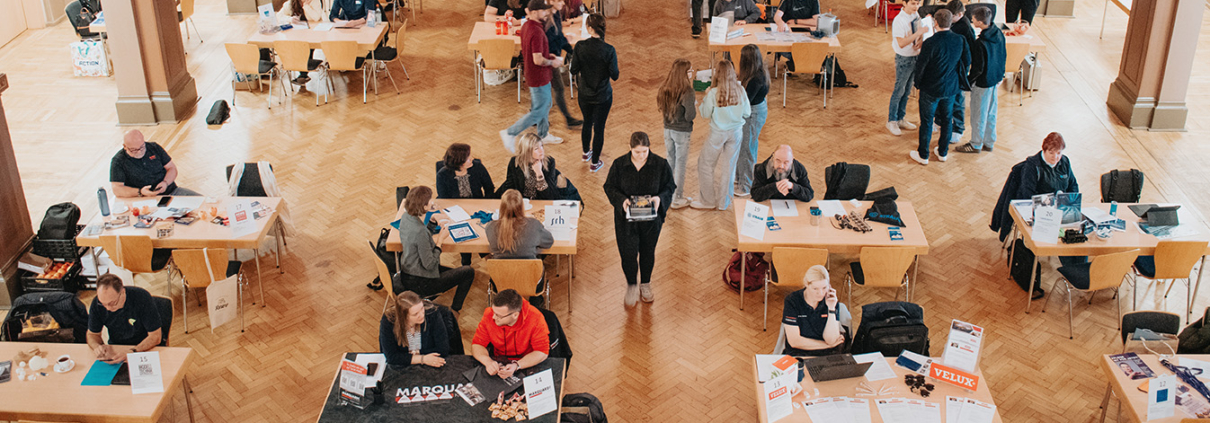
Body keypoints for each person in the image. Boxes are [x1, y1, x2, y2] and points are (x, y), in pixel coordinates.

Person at [603, 132, 676, 306]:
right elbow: (609, 187)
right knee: (628, 254)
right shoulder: (619, 165)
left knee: (647, 252)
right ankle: (631, 285)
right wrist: (622, 201)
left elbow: (670, 187)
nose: (642, 156)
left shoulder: (660, 164)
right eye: (637, 152)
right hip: (626, 220)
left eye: (645, 151)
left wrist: (659, 199)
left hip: (651, 221)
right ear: (630, 148)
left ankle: (645, 284)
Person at [396, 186, 476, 312]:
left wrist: (432, 221)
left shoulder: (406, 217)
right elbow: (430, 264)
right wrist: (440, 241)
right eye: (429, 201)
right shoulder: (420, 231)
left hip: (408, 272)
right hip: (422, 282)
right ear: (424, 207)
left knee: (457, 272)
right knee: (468, 272)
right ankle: (455, 311)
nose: (432, 201)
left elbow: (422, 242)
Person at [500, 0, 564, 153]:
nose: (546, 13)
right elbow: (538, 59)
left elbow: (533, 52)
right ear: (535, 12)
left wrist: (550, 56)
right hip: (539, 76)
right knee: (539, 111)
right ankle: (510, 132)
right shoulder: (537, 31)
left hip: (535, 74)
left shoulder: (527, 26)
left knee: (544, 105)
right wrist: (552, 62)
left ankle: (543, 134)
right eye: (543, 10)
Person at [909, 9, 969, 166]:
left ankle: (923, 155)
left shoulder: (930, 43)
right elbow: (966, 61)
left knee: (927, 122)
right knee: (948, 120)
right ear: (950, 22)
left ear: (935, 23)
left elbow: (921, 66)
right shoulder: (960, 39)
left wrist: (917, 83)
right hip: (951, 88)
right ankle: (943, 152)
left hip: (930, 88)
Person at [691, 60, 750, 211]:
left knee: (705, 164)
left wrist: (705, 96)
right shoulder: (741, 90)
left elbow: (705, 114)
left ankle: (708, 201)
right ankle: (724, 202)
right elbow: (747, 112)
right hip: (736, 132)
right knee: (729, 168)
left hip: (717, 133)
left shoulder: (713, 93)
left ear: (717, 74)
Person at [569, 13, 618, 173]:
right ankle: (595, 163)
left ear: (589, 28)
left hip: (584, 94)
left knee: (587, 122)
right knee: (599, 128)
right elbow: (615, 75)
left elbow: (573, 69)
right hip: (603, 96)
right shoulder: (609, 50)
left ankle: (585, 153)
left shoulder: (580, 46)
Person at [954, 6, 1005, 154]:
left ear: (980, 22)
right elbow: (1003, 55)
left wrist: (968, 82)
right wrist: (1000, 75)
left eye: (974, 19)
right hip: (994, 79)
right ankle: (989, 141)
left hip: (983, 82)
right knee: (991, 112)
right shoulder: (998, 33)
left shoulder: (980, 43)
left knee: (978, 114)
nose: (972, 20)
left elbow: (978, 68)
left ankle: (976, 144)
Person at [436, 143, 497, 266]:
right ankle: (466, 260)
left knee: (481, 230)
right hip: (456, 210)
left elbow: (489, 188)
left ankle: (484, 254)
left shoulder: (478, 167)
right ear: (459, 163)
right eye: (468, 158)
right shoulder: (442, 175)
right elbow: (443, 198)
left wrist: (485, 205)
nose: (472, 159)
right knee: (463, 233)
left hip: (478, 206)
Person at [471, 289, 551, 379]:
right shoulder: (489, 314)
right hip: (499, 360)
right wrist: (488, 362)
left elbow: (542, 352)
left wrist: (517, 365)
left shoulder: (536, 319)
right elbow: (477, 344)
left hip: (527, 362)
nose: (493, 317)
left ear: (515, 315)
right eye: (493, 312)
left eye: (498, 315)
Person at [87, 274, 163, 364]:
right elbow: (92, 334)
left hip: (144, 347)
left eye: (112, 303)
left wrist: (133, 351)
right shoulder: (97, 304)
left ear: (123, 292)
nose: (107, 308)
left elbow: (155, 336)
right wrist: (96, 347)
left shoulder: (141, 297)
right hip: (116, 348)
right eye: (103, 304)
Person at [782, 265, 851, 357]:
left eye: (824, 288)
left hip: (826, 354)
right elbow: (795, 342)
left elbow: (831, 340)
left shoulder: (831, 300)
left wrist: (831, 309)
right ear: (806, 285)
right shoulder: (792, 301)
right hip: (799, 352)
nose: (821, 293)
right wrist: (826, 345)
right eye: (815, 289)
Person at [656, 59, 697, 209]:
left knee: (670, 161)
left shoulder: (664, 87)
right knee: (680, 164)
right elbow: (690, 116)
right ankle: (677, 198)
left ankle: (667, 194)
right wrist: (694, 105)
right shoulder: (688, 92)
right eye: (690, 71)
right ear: (685, 73)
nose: (692, 73)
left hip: (667, 130)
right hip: (682, 132)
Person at [111, 130, 200, 198]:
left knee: (201, 202)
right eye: (134, 150)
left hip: (171, 192)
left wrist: (165, 183)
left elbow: (171, 168)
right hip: (142, 199)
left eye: (142, 147)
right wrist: (140, 192)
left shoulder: (154, 148)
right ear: (125, 146)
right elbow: (117, 189)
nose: (139, 152)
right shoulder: (118, 161)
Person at [496, 132, 580, 201]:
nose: (541, 151)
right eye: (536, 149)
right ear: (527, 151)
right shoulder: (515, 162)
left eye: (542, 146)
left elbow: (550, 196)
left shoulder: (549, 162)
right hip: (522, 203)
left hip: (541, 201)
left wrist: (539, 174)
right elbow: (510, 187)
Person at [380, 291, 450, 368]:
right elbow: (391, 357)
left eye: (422, 308)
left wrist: (407, 357)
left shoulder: (432, 314)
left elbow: (443, 349)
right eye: (415, 314)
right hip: (402, 367)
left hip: (432, 364)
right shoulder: (388, 321)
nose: (422, 315)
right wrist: (423, 359)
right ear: (403, 317)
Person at [886, 0, 925, 136]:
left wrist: (920, 40)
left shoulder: (916, 15)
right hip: (904, 58)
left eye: (918, 3)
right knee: (899, 90)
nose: (916, 7)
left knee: (907, 90)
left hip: (915, 56)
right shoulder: (899, 20)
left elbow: (919, 34)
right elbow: (901, 43)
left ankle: (900, 118)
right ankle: (892, 120)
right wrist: (918, 33)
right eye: (913, 3)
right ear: (904, 3)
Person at [735, 44, 769, 197]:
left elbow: (745, 102)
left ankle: (746, 186)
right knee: (744, 146)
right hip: (754, 110)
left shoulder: (756, 79)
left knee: (747, 148)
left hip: (753, 114)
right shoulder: (758, 73)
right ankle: (740, 179)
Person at [545, 0, 584, 130]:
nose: (562, 3)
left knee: (554, 89)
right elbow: (550, 41)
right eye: (559, 0)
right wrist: (562, 51)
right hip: (548, 60)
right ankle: (539, 118)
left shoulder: (556, 14)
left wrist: (570, 50)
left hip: (553, 59)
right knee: (551, 90)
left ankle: (567, 119)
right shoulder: (547, 19)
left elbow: (559, 36)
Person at [485, 189, 555, 259]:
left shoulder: (490, 227)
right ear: (522, 206)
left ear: (502, 207)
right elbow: (549, 242)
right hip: (529, 266)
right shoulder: (533, 225)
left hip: (500, 266)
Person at [944, 0, 975, 144]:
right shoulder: (957, 23)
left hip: (960, 68)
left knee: (958, 98)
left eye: (952, 16)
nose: (950, 19)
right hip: (953, 66)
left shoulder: (963, 28)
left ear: (960, 14)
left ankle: (958, 128)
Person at [276, 0, 325, 84]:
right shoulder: (290, 3)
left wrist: (306, 6)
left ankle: (303, 74)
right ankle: (302, 72)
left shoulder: (315, 2)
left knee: (307, 47)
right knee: (297, 46)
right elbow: (279, 16)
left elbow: (316, 17)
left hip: (312, 32)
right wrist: (290, 19)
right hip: (297, 32)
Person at [773, 0, 821, 71]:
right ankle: (800, 61)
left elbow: (817, 21)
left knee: (815, 48)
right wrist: (780, 23)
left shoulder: (814, 1)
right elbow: (777, 16)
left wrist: (796, 21)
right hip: (788, 35)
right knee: (787, 51)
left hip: (807, 35)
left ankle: (798, 62)